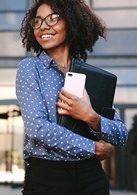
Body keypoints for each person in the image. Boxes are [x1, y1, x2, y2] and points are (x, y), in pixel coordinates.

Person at [15, 0, 128, 194]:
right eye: (38, 21)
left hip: (91, 178)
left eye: (52, 19)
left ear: (71, 22)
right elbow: (37, 128)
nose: (43, 27)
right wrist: (94, 148)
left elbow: (120, 133)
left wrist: (90, 117)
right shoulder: (30, 68)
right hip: (47, 178)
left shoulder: (90, 77)